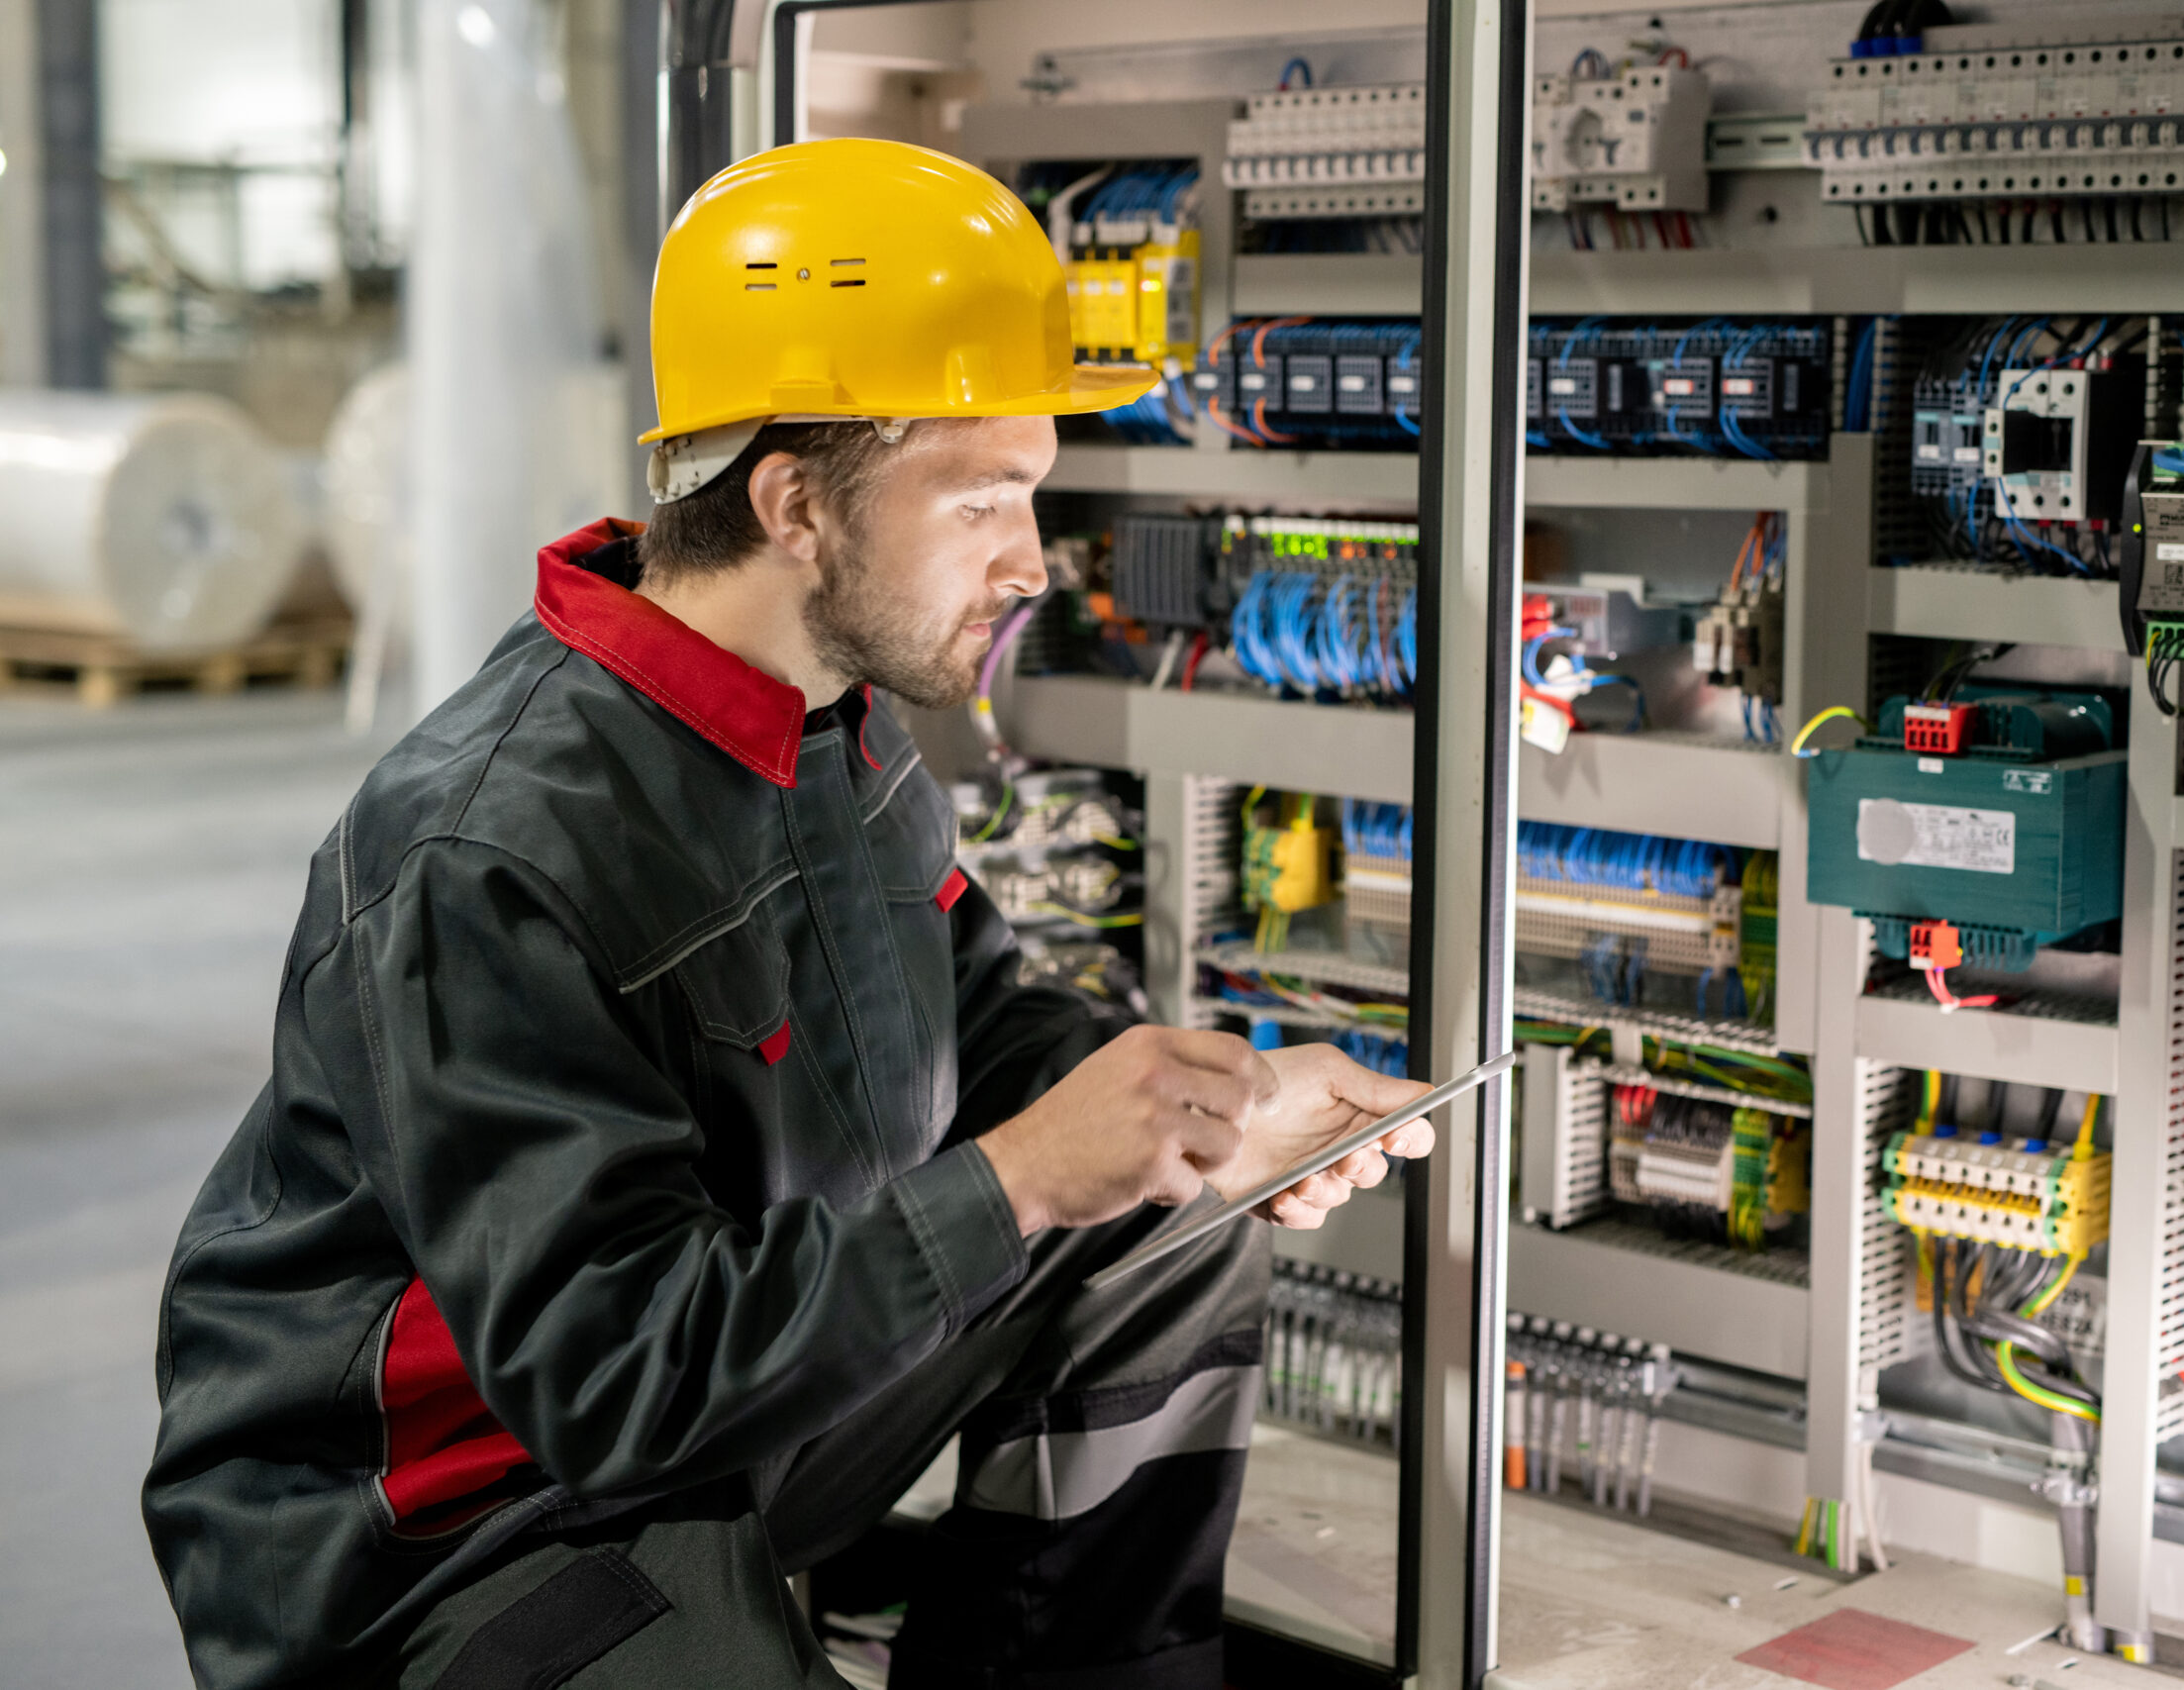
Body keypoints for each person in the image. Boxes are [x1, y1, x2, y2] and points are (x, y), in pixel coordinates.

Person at [144, 138, 1435, 1690]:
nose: (1033, 560)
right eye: (981, 501)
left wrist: (1194, 1110)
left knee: (1170, 1236)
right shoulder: (488, 848)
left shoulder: (826, 715)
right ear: (795, 505)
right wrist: (1023, 1177)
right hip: (461, 1519)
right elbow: (609, 1384)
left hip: (737, 1398)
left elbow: (977, 1022)